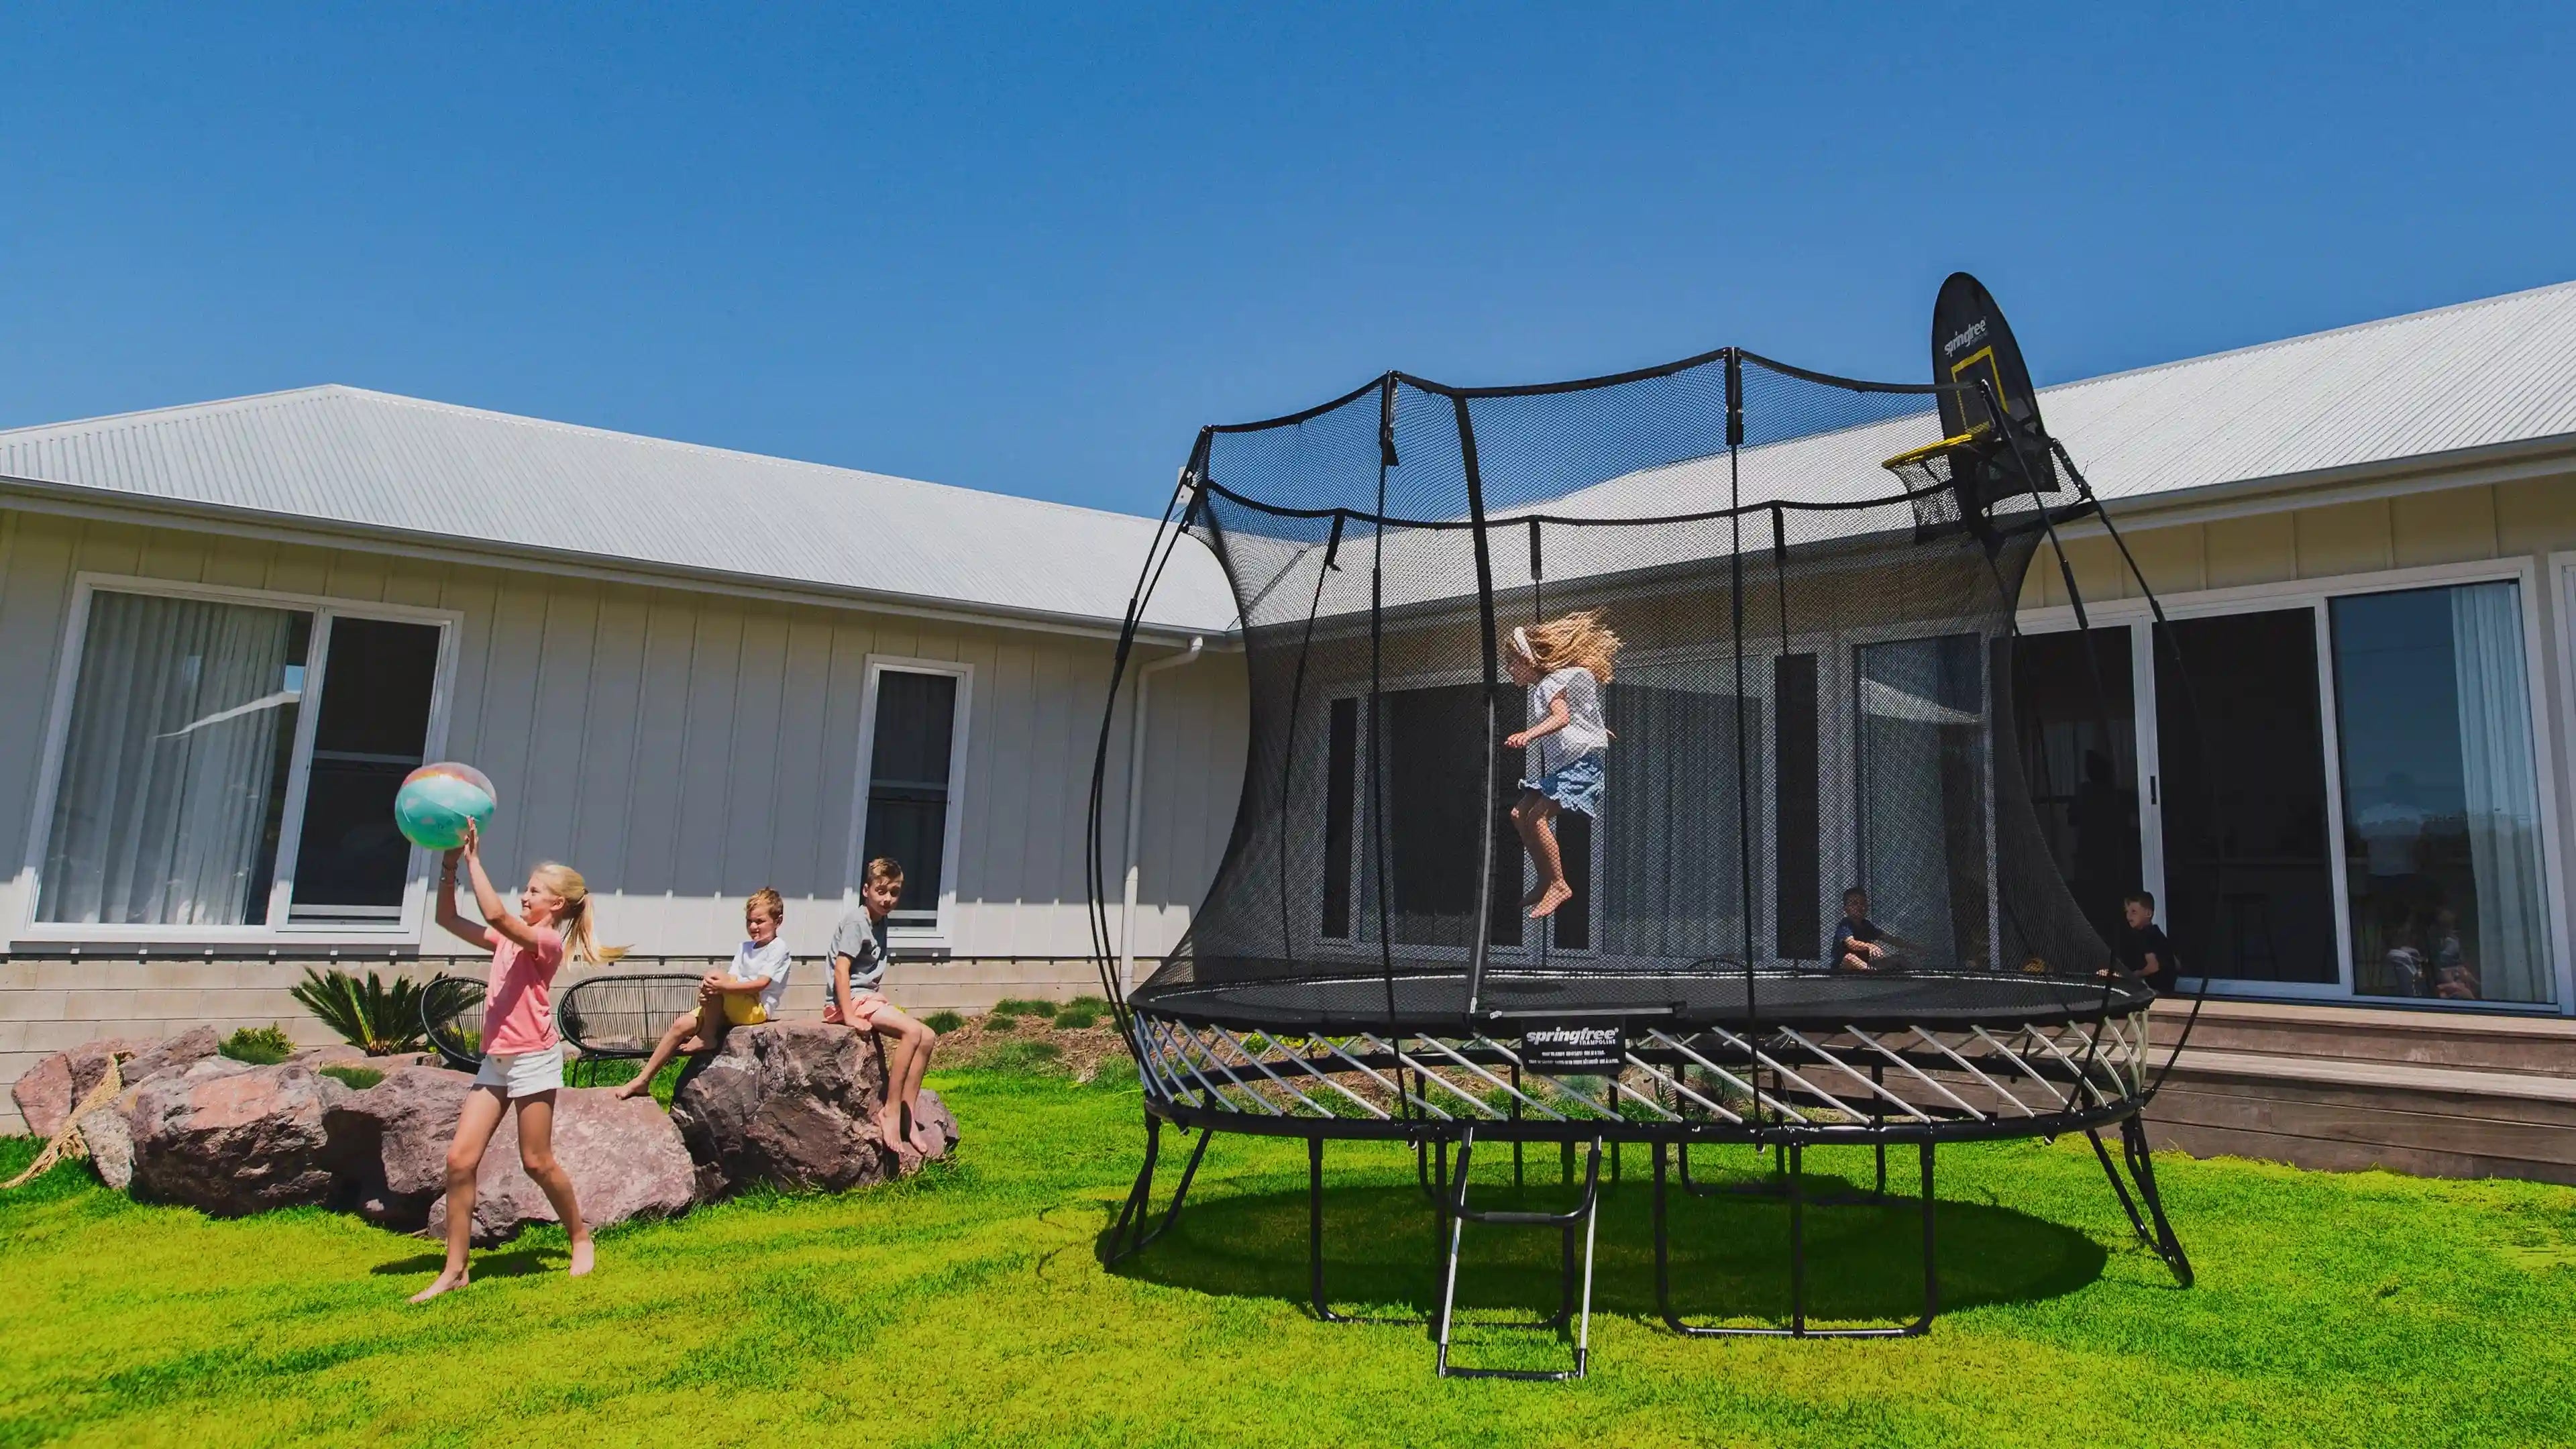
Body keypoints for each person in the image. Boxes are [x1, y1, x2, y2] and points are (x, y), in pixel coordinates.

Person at [413, 821, 625, 1303]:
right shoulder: (508, 939)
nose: (525, 897)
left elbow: (495, 912)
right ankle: (455, 1269)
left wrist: (473, 860)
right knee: (459, 1160)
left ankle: (579, 1238)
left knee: (537, 1161)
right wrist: (449, 863)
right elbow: (448, 918)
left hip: (534, 1058)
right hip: (497, 1060)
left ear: (557, 905)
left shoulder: (545, 942)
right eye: (526, 891)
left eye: (534, 892)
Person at [615, 887, 792, 1100]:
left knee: (716, 976)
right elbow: (731, 978)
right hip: (733, 1003)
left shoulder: (778, 948)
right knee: (681, 1024)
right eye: (749, 921)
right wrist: (710, 998)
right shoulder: (745, 947)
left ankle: (707, 1037)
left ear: (778, 921)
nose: (753, 927)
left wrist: (720, 989)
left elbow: (760, 984)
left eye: (760, 921)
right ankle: (643, 1080)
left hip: (756, 1008)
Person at [1503, 610, 1621, 920]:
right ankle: (1545, 879)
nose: (1508, 669)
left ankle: (1559, 884)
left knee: (1537, 817)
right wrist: (1597, 731)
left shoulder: (1547, 686)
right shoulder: (1551, 683)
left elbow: (1562, 717)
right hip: (1568, 766)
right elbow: (1578, 717)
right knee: (1519, 814)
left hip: (1580, 767)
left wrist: (1528, 735)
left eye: (1512, 662)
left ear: (1529, 661)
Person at [821, 858, 942, 1154]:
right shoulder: (856, 922)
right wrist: (848, 1015)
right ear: (866, 890)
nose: (887, 898)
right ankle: (890, 1109)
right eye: (881, 891)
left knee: (928, 1036)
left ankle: (907, 1114)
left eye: (894, 892)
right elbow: (841, 969)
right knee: (912, 1033)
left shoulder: (880, 921)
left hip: (869, 997)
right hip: (849, 1000)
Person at [1830, 888, 1920, 972]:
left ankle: (1919, 977)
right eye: (1854, 904)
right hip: (1843, 969)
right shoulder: (1845, 924)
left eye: (1863, 903)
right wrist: (1869, 946)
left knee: (1899, 959)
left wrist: (1912, 947)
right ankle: (1874, 974)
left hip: (1865, 965)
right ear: (1846, 909)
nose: (1859, 907)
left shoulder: (1867, 925)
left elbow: (1889, 939)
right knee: (1850, 958)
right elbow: (1851, 943)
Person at [2114, 890, 2177, 994]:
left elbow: (2153, 967)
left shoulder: (2146, 936)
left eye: (2134, 912)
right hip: (2168, 990)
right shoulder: (2158, 934)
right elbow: (2177, 964)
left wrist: (2134, 975)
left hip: (2156, 991)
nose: (2129, 916)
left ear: (2148, 913)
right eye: (2127, 912)